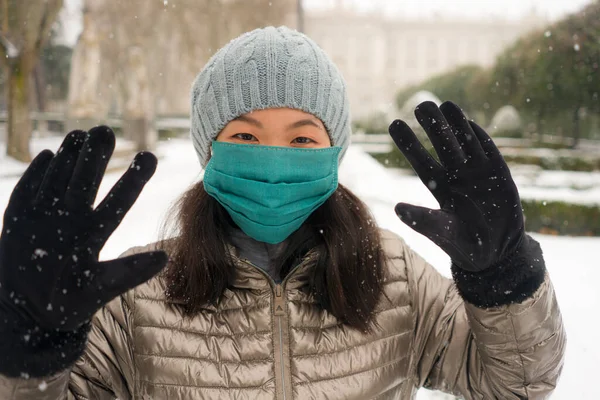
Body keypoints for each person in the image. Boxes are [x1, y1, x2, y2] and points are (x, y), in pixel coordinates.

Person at [0, 26, 565, 400]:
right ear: (210, 151)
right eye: (245, 133)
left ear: (334, 152)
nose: (273, 159)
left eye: (301, 140)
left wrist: (503, 278)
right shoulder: (134, 292)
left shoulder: (394, 276)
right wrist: (31, 340)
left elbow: (518, 382)